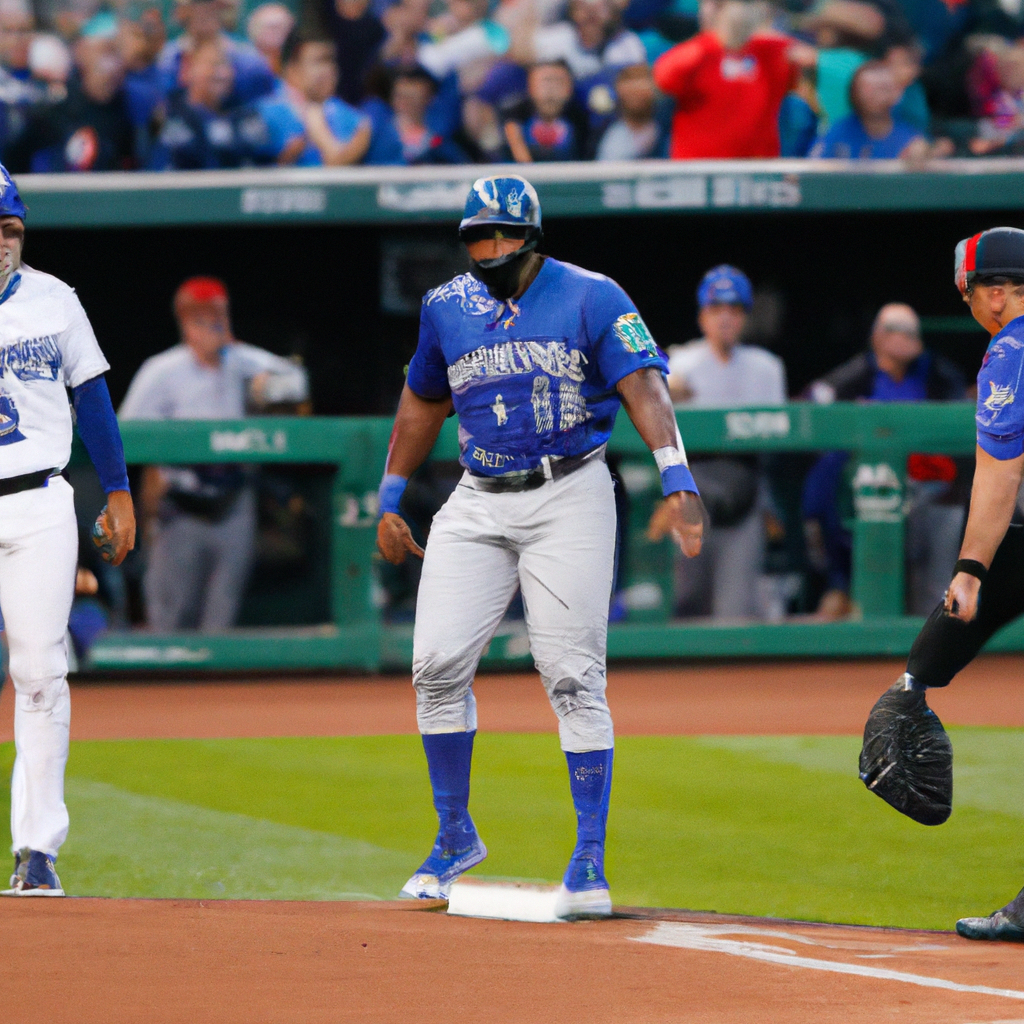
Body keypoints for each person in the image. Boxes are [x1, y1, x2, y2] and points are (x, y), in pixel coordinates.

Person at [377, 174, 705, 918]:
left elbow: (644, 385)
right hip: (477, 494)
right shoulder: (445, 306)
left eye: (499, 236)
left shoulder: (593, 294)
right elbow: (425, 398)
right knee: (433, 667)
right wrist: (391, 494)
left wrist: (676, 474)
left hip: (570, 491)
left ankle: (588, 859)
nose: (486, 249)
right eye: (475, 237)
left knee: (571, 677)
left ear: (530, 237)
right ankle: (454, 835)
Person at [865, 228, 1024, 941]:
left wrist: (967, 568)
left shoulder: (1012, 349)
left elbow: (999, 475)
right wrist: (923, 673)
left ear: (993, 291)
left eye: (971, 295)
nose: (974, 308)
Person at [0, 164, 135, 896]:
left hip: (40, 498)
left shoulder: (55, 300)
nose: (0, 241)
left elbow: (94, 398)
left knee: (41, 671)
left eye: (9, 228)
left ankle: (37, 850)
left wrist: (117, 489)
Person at [118, 277, 308, 632]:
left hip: (234, 501)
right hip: (182, 503)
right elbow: (126, 430)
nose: (212, 325)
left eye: (218, 315)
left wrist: (268, 386)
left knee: (222, 616)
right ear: (185, 323)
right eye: (201, 317)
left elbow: (297, 381)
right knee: (172, 617)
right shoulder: (162, 370)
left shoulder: (241, 360)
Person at [803, 303, 966, 619]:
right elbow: (814, 407)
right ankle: (840, 585)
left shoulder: (938, 375)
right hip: (867, 489)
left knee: (948, 523)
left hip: (930, 491)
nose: (904, 339)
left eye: (911, 333)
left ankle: (937, 620)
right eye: (895, 331)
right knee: (825, 479)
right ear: (877, 337)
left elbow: (960, 432)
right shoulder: (855, 375)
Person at [665, 265, 786, 620]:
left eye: (734, 310)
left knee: (735, 613)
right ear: (703, 316)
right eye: (717, 309)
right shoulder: (680, 363)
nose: (725, 318)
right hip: (693, 486)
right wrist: (659, 387)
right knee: (686, 601)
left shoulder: (767, 367)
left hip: (745, 487)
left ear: (746, 317)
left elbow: (781, 441)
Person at [653, 0, 808, 159]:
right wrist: (716, 39)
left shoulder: (772, 51)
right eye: (720, 5)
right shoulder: (696, 53)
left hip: (757, 170)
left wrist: (761, 26)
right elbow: (662, 77)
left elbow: (811, 60)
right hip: (700, 170)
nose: (733, 13)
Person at [6, 15, 136, 173]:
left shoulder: (129, 107)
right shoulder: (57, 106)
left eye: (116, 52)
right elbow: (16, 156)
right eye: (106, 50)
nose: (111, 63)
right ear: (82, 52)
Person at [152, 38, 271, 170]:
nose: (222, 73)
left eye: (226, 65)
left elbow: (262, 164)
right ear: (189, 70)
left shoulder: (245, 113)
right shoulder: (169, 111)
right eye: (213, 64)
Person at [256, 30, 371, 167]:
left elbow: (338, 167)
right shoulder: (263, 113)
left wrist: (318, 128)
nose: (329, 69)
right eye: (319, 61)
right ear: (292, 68)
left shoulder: (352, 119)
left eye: (331, 60)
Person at [157, 0, 276, 109]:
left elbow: (266, 109)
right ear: (182, 11)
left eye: (213, 5)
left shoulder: (251, 62)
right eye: (197, 4)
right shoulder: (166, 60)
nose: (204, 11)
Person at [811, 60, 929, 159]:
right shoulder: (836, 134)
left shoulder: (910, 139)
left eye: (882, 88)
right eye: (866, 89)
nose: (872, 96)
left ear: (897, 94)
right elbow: (810, 172)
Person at [503, 60, 587, 161]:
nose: (551, 89)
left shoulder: (581, 120)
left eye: (558, 82)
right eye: (545, 81)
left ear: (570, 87)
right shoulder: (512, 117)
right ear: (530, 86)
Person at [595, 62, 665, 159]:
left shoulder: (666, 128)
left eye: (642, 81)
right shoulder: (607, 134)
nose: (636, 89)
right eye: (629, 80)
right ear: (618, 89)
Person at [246, 1, 294, 75]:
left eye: (280, 27)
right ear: (254, 28)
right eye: (271, 27)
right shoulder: (244, 59)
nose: (275, 33)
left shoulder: (291, 60)